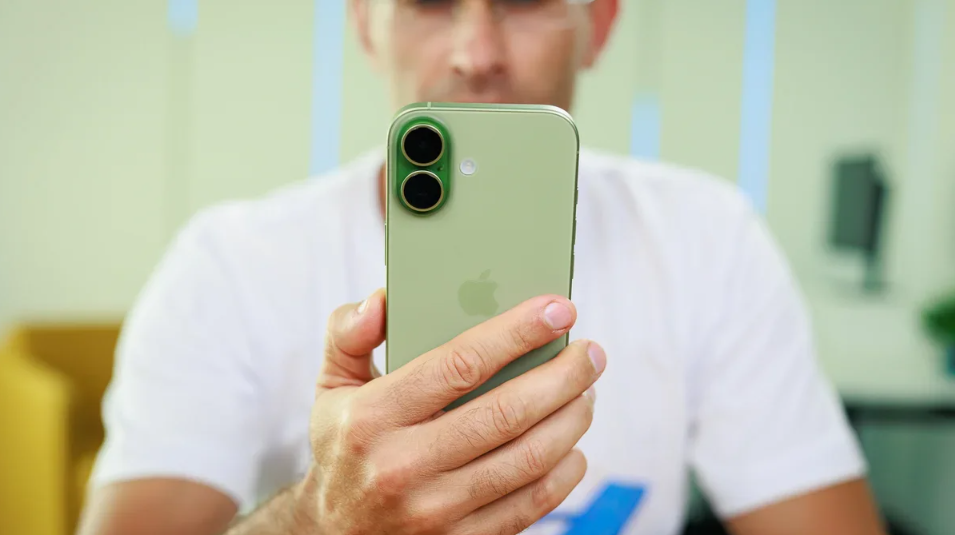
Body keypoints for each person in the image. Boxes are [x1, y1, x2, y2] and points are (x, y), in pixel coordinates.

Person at [77, 1, 888, 534]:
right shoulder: (229, 264)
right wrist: (320, 519)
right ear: (366, 24)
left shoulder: (708, 238)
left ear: (600, 22)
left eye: (525, 1)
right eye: (429, 2)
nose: (476, 53)